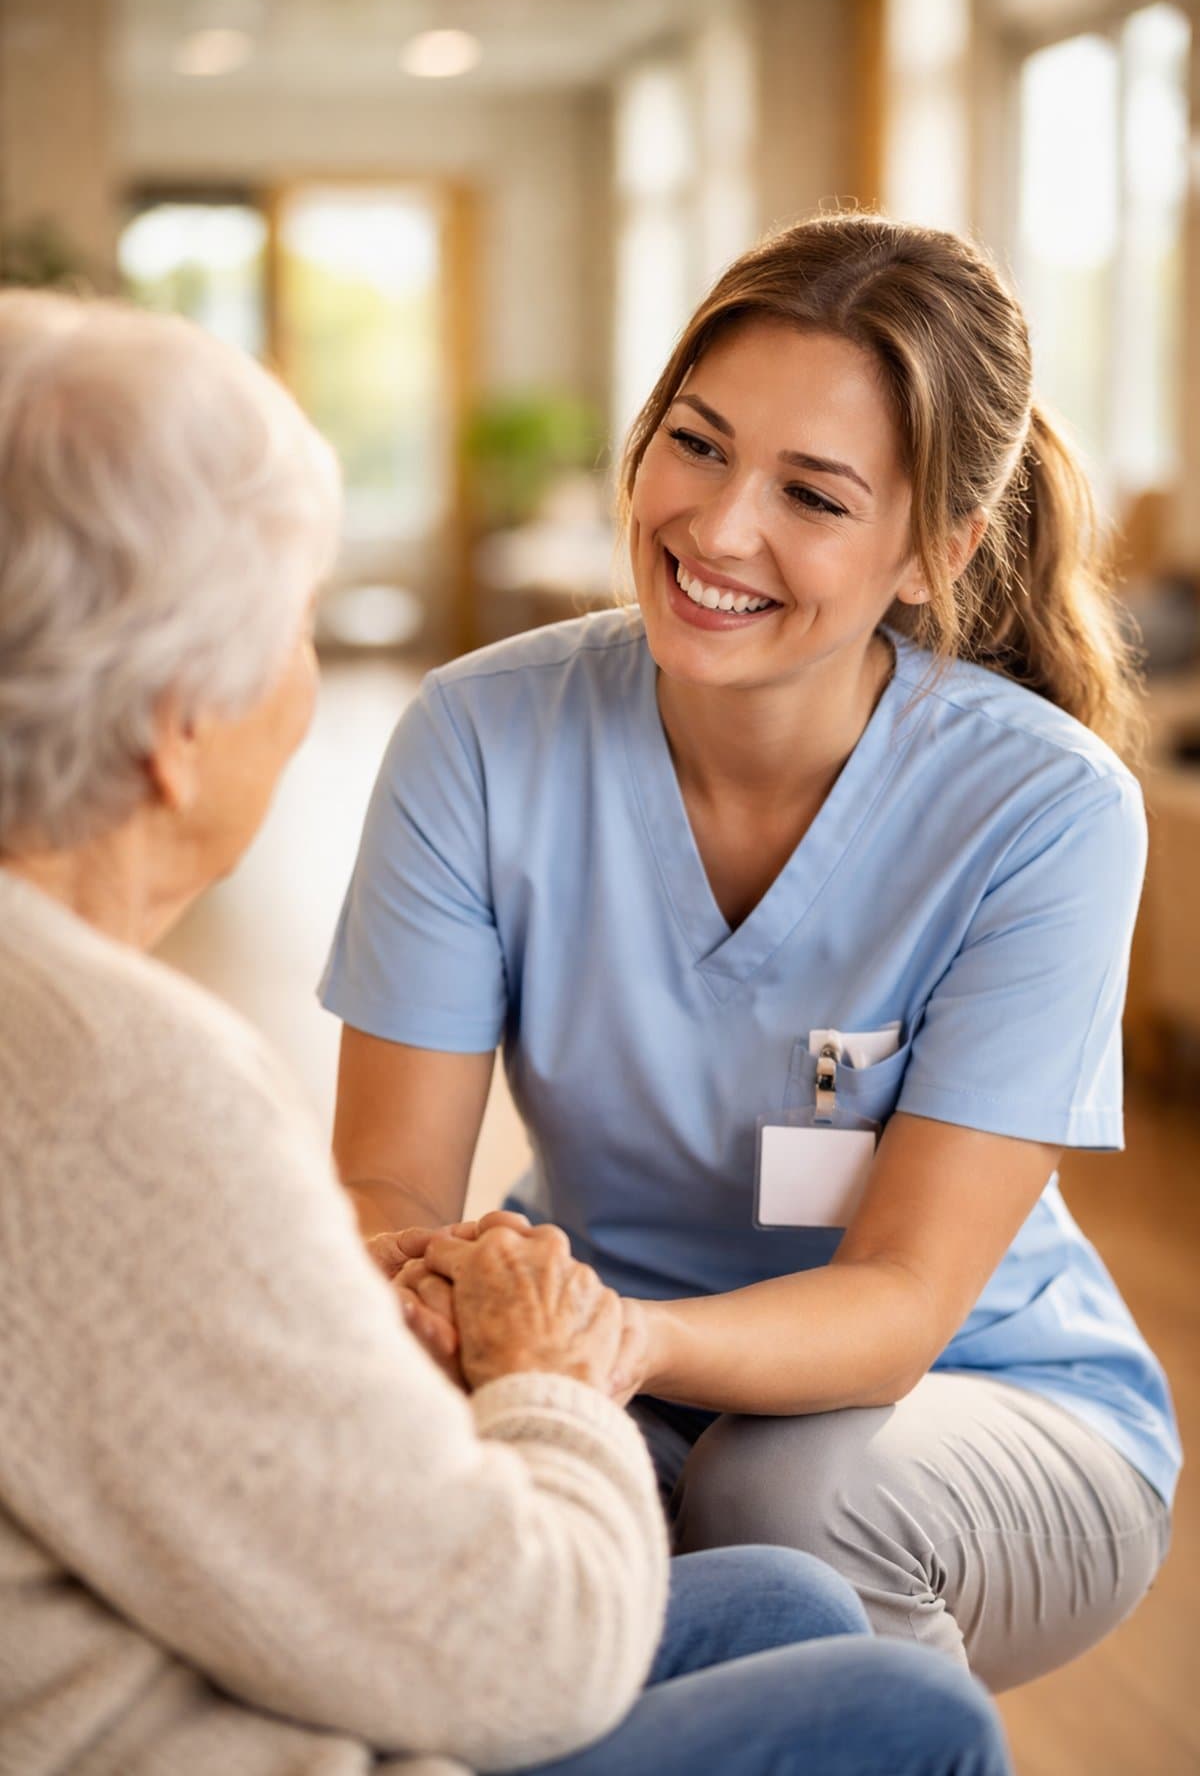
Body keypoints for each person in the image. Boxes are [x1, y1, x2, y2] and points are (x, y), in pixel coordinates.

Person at [0, 288, 1012, 1776]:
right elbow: (526, 1650)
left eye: (809, 492)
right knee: (907, 1715)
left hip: (185, 1642)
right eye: (293, 626)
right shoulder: (124, 1085)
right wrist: (544, 1370)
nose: (725, 531)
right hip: (200, 1727)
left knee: (791, 1589)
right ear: (177, 722)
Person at [321, 211, 1181, 1695]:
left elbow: (905, 1299)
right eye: (698, 445)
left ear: (935, 554)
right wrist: (449, 1314)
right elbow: (385, 1186)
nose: (718, 530)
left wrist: (596, 1344)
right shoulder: (477, 735)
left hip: (981, 1399)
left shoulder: (1046, 809)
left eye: (814, 495)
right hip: (610, 1361)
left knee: (775, 1500)